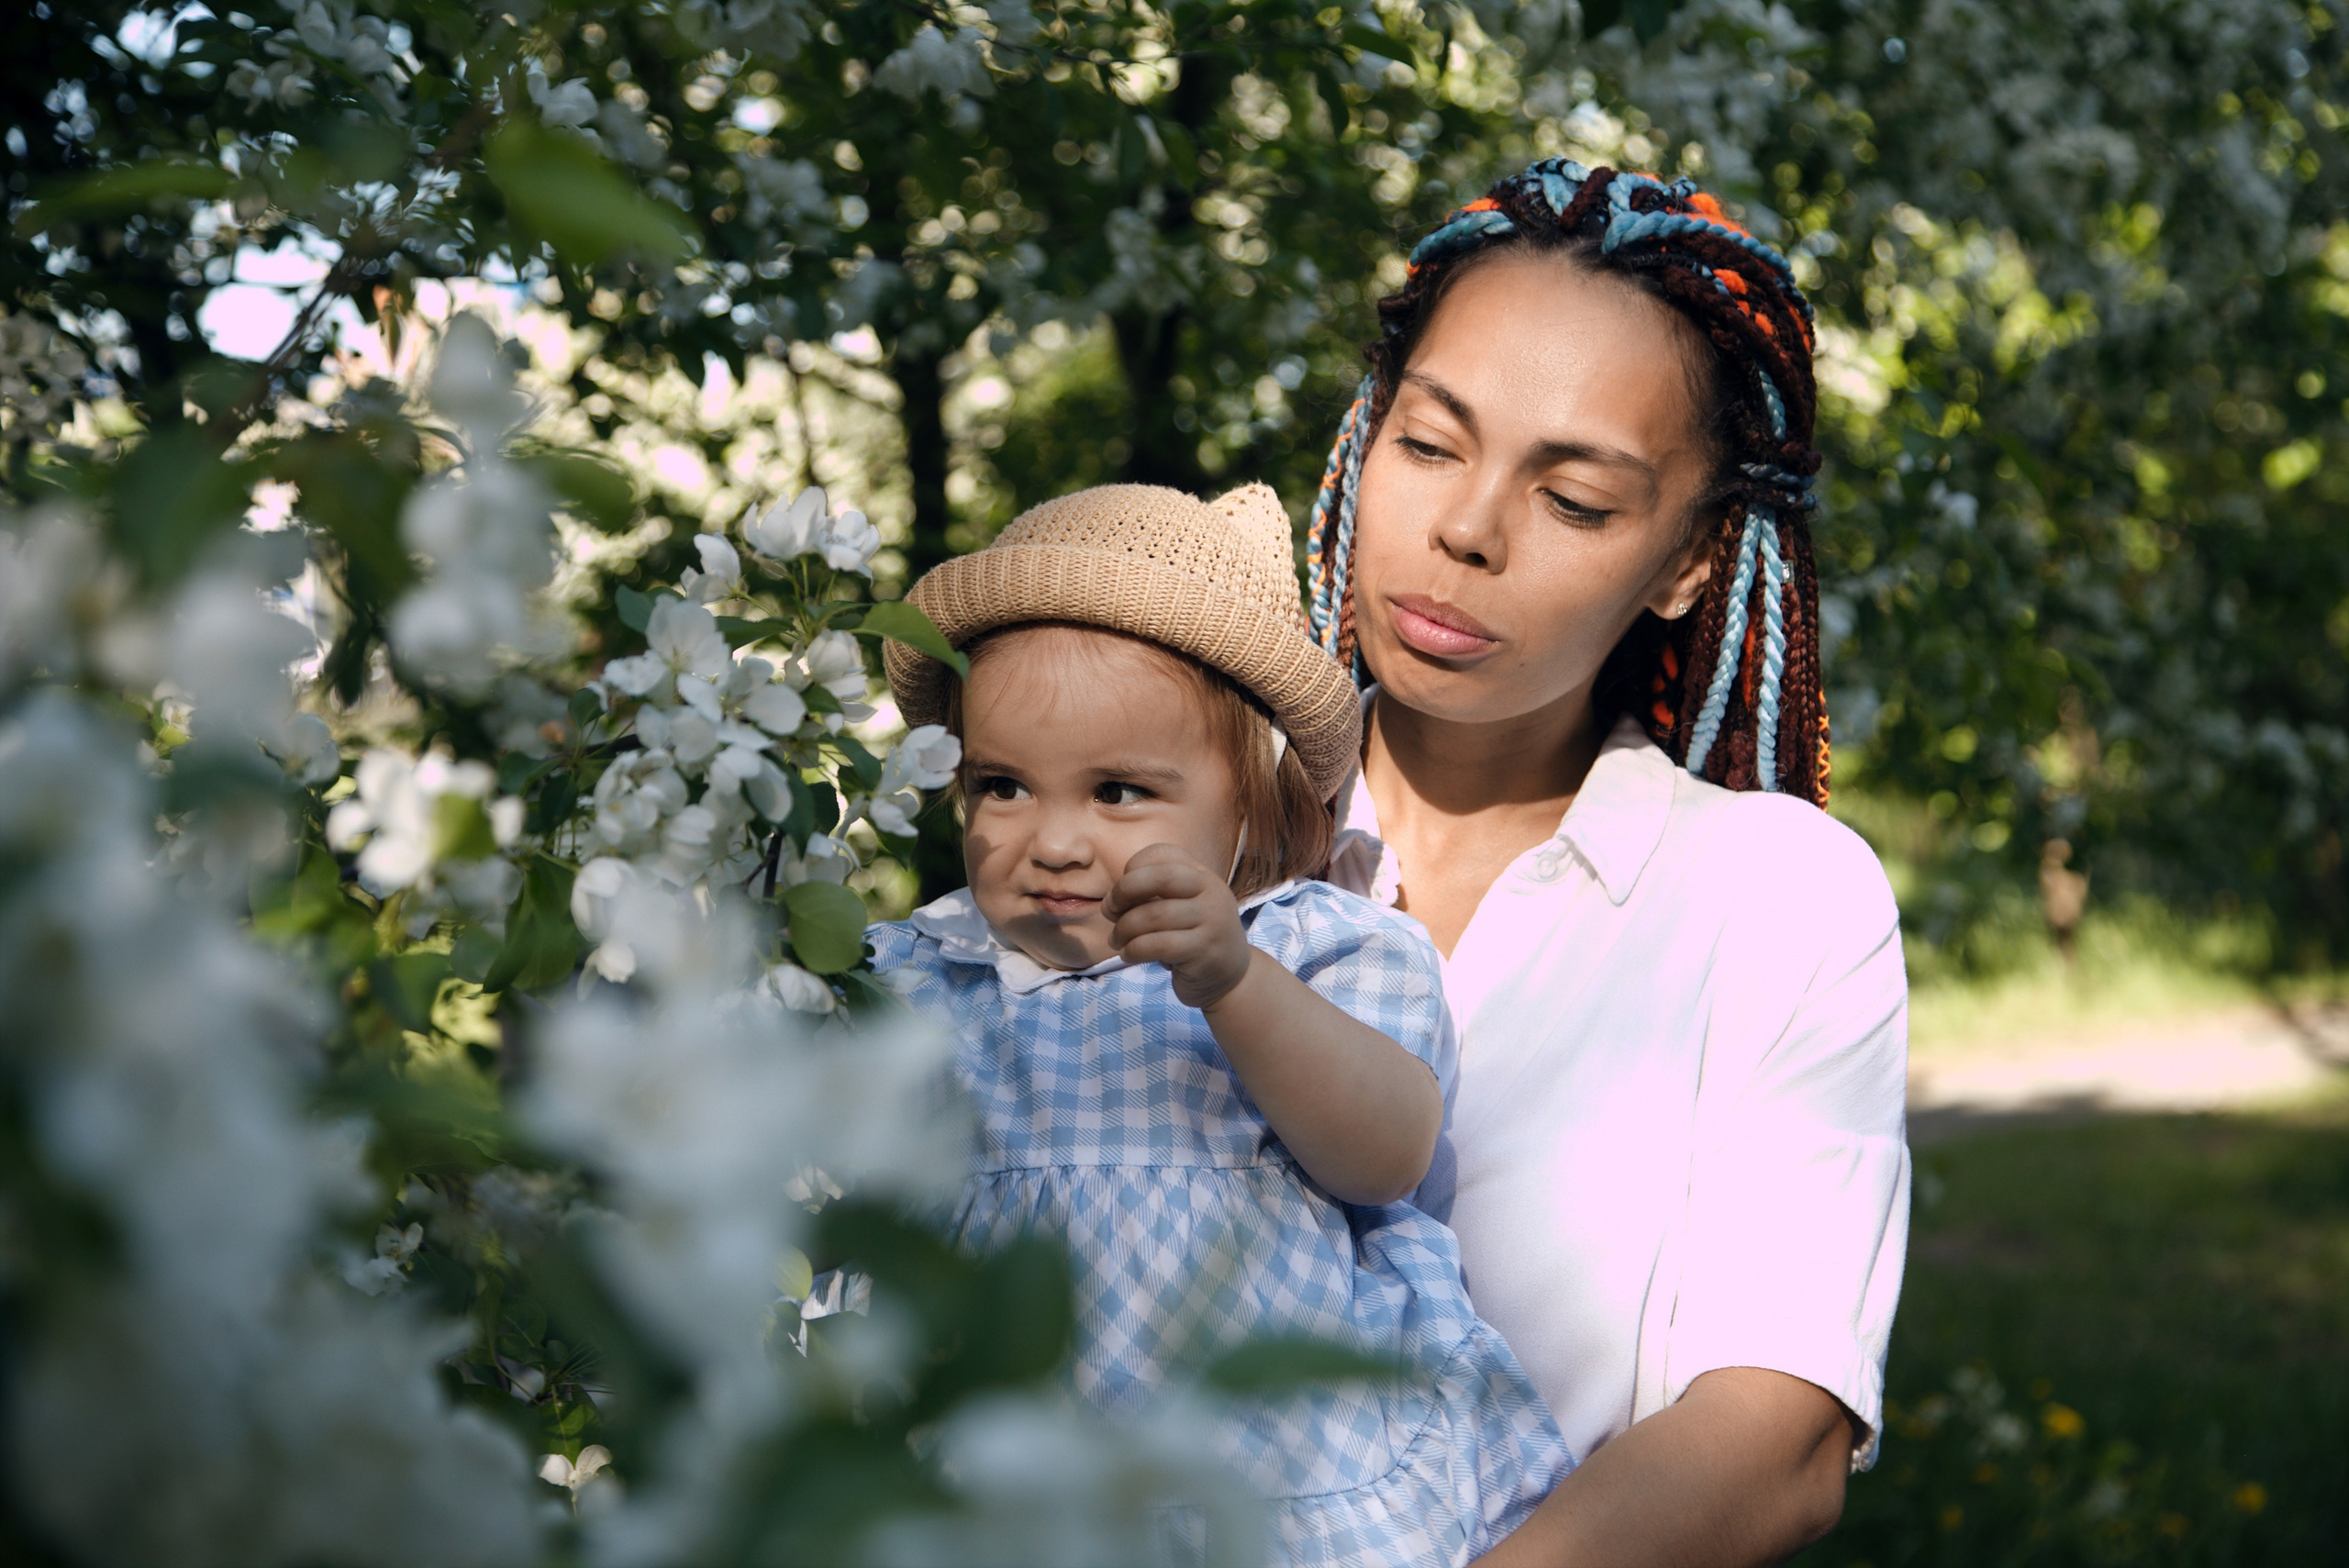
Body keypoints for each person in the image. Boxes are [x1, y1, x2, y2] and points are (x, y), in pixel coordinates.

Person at [1300, 161, 1911, 1566]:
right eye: (1430, 443)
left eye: (1574, 501)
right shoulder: (1165, 829)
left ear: (1691, 558)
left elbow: (1782, 1431)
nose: (1467, 531)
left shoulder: (1778, 900)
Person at [872, 483, 1575, 1567]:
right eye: (1002, 785)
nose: (1052, 841)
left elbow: (1387, 1153)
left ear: (1247, 799)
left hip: (1270, 1470)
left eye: (1116, 791)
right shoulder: (921, 970)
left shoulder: (1313, 948)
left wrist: (1234, 981)